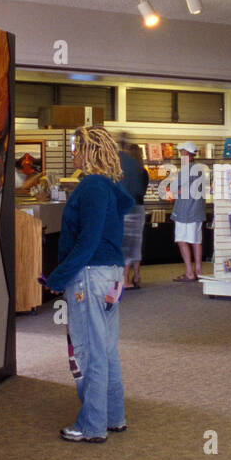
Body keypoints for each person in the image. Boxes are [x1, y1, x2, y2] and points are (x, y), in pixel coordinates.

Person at [43, 125, 135, 442]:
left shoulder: (93, 186)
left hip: (90, 276)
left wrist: (58, 277)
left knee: (90, 352)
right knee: (107, 350)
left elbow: (87, 241)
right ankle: (113, 416)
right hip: (109, 275)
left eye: (76, 148)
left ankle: (92, 425)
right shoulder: (108, 186)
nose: (72, 153)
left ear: (89, 151)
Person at [171, 141, 206, 281]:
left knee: (181, 240)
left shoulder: (186, 169)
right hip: (197, 211)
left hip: (184, 211)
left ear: (188, 154)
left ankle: (189, 272)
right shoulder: (200, 169)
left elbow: (174, 188)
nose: (181, 155)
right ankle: (198, 271)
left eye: (182, 152)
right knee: (196, 240)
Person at [117, 142, 149, 289]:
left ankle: (125, 279)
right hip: (139, 209)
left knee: (127, 245)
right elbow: (141, 191)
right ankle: (137, 276)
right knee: (137, 244)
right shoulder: (143, 172)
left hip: (127, 208)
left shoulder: (125, 171)